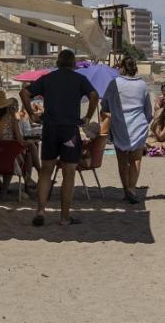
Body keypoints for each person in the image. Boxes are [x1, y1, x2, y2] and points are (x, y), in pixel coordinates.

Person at [20, 49, 99, 227]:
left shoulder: (48, 78)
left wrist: (32, 114)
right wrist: (88, 115)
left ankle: (40, 211)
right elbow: (94, 95)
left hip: (50, 129)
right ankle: (64, 217)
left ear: (57, 63)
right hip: (69, 130)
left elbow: (24, 93)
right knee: (69, 172)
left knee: (46, 171)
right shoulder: (79, 79)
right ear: (73, 64)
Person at [103, 56, 152, 203]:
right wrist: (146, 120)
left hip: (120, 126)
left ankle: (126, 190)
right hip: (138, 125)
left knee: (122, 161)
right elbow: (148, 110)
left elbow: (105, 104)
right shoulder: (143, 85)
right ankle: (132, 188)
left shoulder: (114, 84)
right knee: (136, 159)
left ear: (122, 68)